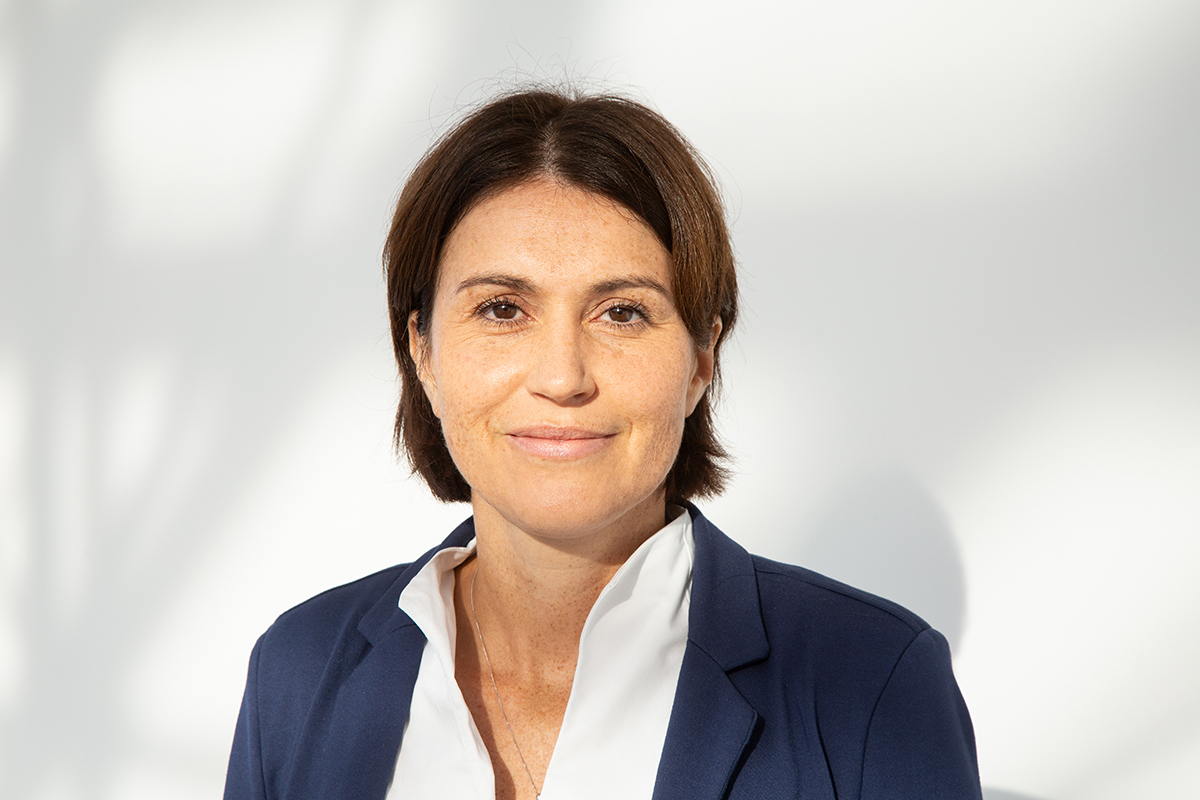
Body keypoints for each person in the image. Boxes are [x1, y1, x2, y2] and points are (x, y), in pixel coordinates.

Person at [223, 89, 983, 800]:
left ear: (701, 359)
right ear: (421, 349)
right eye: (501, 308)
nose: (562, 377)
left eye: (621, 313)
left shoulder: (875, 680)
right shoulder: (299, 672)